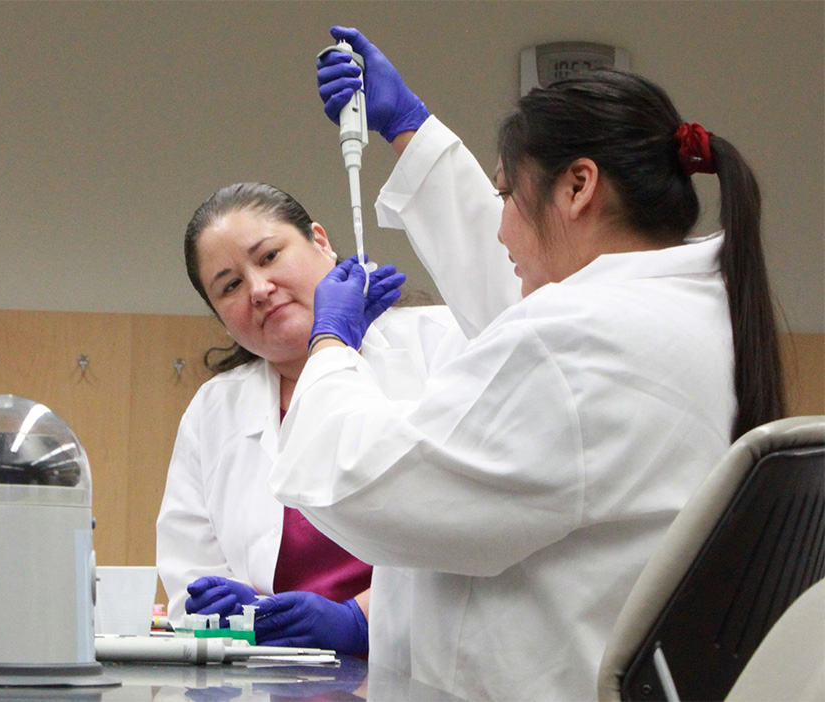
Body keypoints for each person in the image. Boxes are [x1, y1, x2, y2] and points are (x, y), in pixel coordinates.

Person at [266, 27, 785, 699]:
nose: (502, 226)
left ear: (578, 187)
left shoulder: (582, 340)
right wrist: (412, 131)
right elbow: (527, 305)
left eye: (507, 194)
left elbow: (365, 485)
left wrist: (330, 344)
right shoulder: (689, 306)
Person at [154, 182, 494, 654]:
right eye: (229, 285)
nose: (258, 289)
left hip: (429, 668)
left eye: (269, 256)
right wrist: (238, 615)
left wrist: (362, 622)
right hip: (276, 676)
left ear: (321, 241)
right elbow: (189, 572)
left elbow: (483, 524)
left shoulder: (443, 344)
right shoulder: (214, 412)